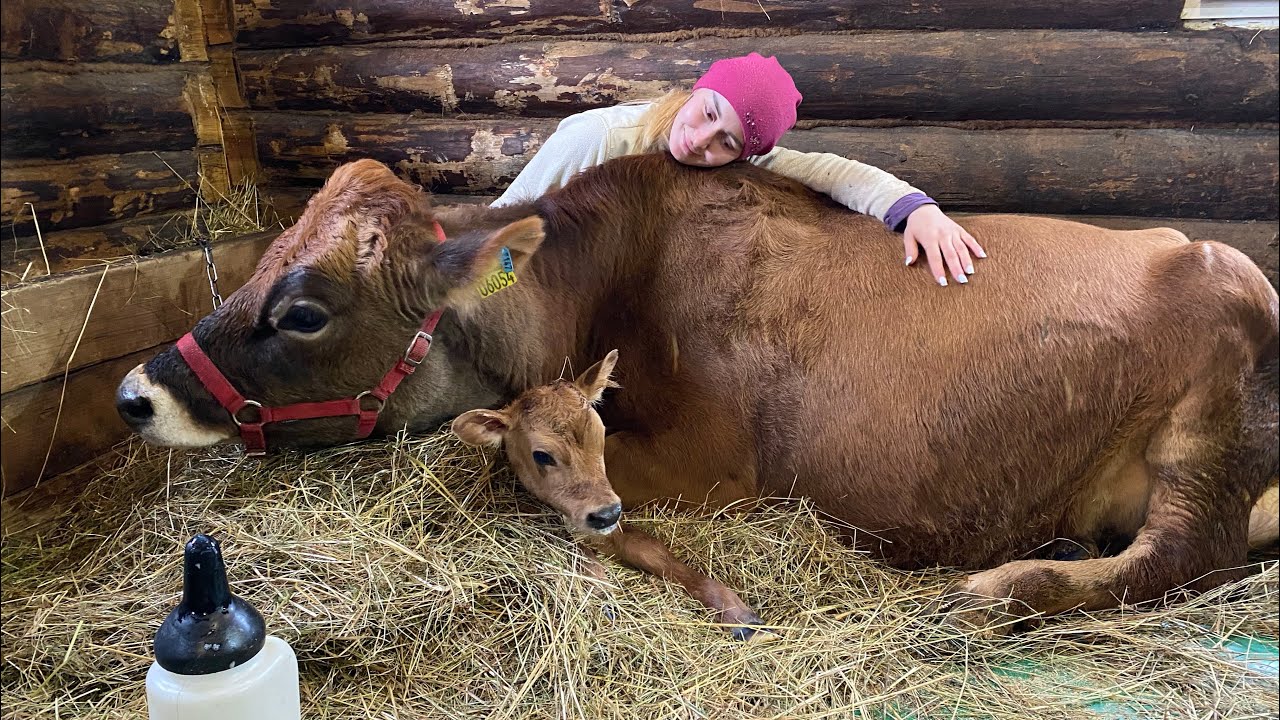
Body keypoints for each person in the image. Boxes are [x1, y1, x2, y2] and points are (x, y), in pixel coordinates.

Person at [492, 53, 984, 287]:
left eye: (726, 141)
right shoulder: (597, 138)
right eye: (707, 112)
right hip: (547, 282)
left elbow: (836, 172)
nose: (700, 141)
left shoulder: (743, 163)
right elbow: (503, 226)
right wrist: (496, 288)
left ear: (745, 153)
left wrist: (917, 211)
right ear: (697, 90)